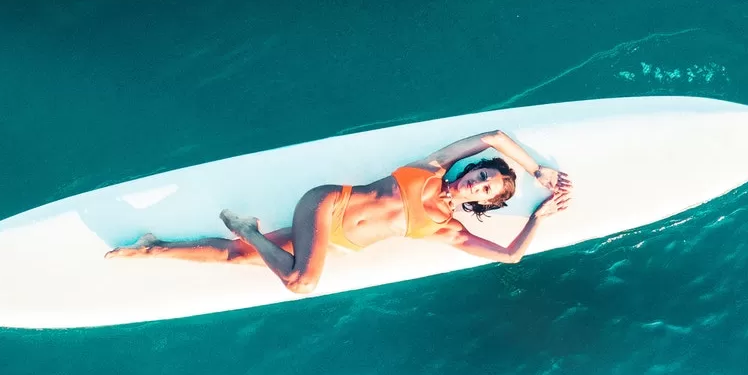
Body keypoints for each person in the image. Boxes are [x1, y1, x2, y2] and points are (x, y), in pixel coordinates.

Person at [105, 130, 572, 294]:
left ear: (483, 203)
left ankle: (154, 248)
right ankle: (248, 229)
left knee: (238, 258)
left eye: (486, 188)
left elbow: (510, 256)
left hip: (332, 241)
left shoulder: (446, 230)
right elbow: (491, 136)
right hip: (328, 201)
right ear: (469, 171)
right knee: (301, 282)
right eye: (481, 174)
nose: (478, 181)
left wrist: (536, 218)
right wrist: (536, 170)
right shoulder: (430, 168)